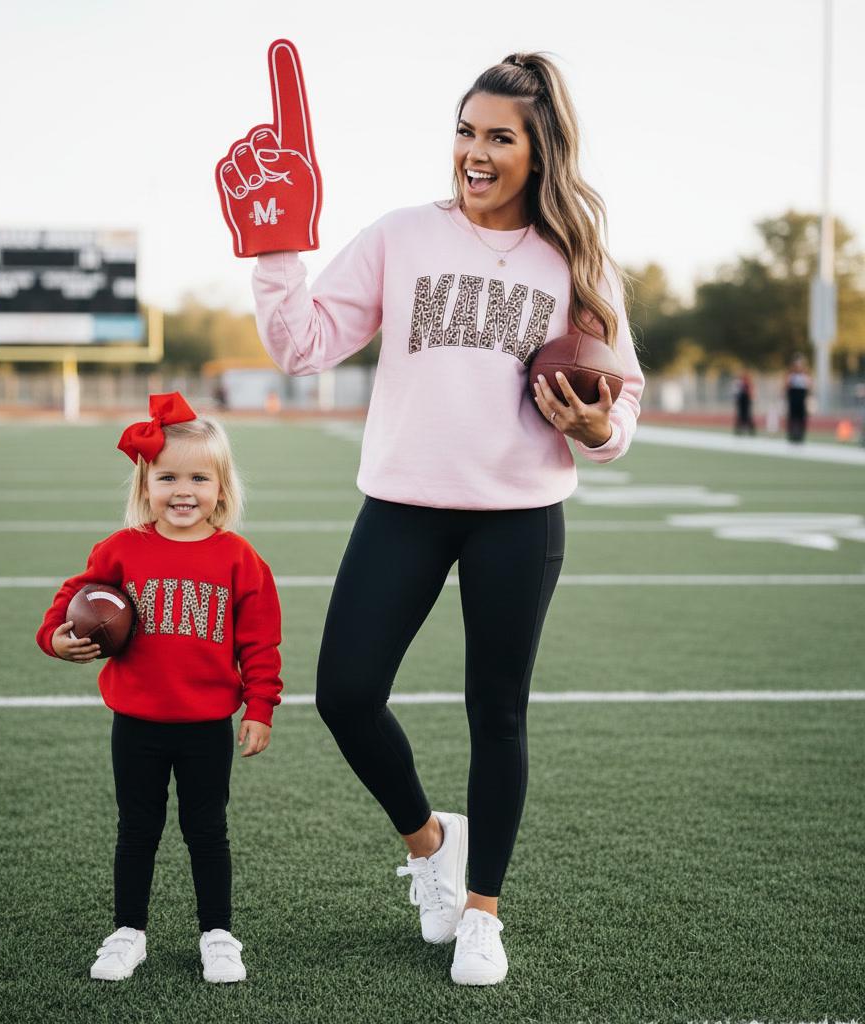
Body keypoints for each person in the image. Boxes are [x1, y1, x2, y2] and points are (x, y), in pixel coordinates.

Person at [241, 53, 644, 984]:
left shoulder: (575, 258)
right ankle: (431, 847)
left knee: (496, 715)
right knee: (344, 691)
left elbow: (620, 398)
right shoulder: (400, 236)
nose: (474, 151)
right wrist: (275, 246)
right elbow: (302, 345)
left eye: (499, 136)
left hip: (518, 515)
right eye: (465, 130)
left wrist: (600, 426)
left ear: (539, 152)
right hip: (404, 504)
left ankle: (482, 913)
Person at [35, 392, 283, 985]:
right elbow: (73, 597)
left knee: (207, 830)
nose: (183, 490)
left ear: (221, 488)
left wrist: (261, 705)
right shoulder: (121, 550)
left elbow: (260, 642)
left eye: (199, 477)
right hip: (138, 723)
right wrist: (55, 638)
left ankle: (218, 934)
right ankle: (128, 931)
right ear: (145, 483)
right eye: (167, 476)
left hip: (206, 725)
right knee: (137, 828)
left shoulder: (240, 559)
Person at [786, 354, 812, 442]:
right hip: (793, 399)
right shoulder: (791, 375)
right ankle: (792, 435)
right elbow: (787, 386)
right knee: (792, 417)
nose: (798, 367)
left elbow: (809, 387)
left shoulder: (805, 376)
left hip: (801, 399)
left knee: (801, 418)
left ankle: (801, 435)